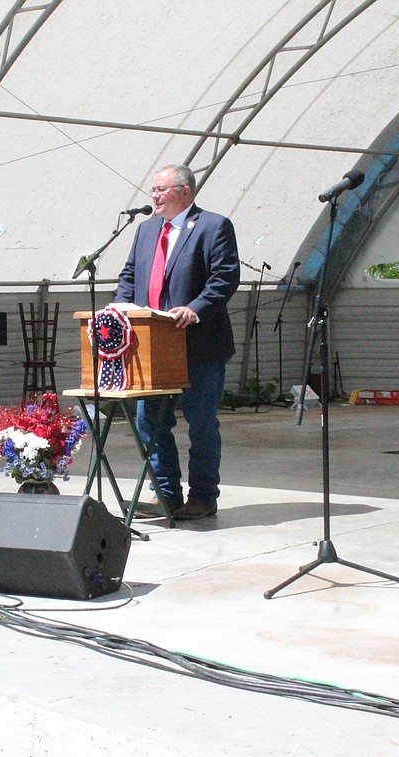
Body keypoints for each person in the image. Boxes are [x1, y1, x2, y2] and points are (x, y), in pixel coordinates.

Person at [114, 164, 240, 520]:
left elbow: (224, 277)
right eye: (153, 190)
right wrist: (119, 305)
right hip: (151, 345)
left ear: (186, 191)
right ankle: (165, 492)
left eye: (162, 190)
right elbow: (130, 276)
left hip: (198, 344)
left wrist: (195, 308)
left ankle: (203, 497)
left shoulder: (214, 226)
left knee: (200, 423)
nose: (155, 196)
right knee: (149, 421)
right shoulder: (146, 230)